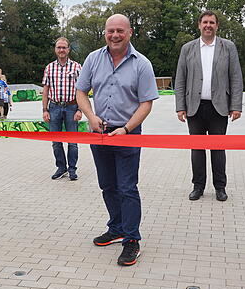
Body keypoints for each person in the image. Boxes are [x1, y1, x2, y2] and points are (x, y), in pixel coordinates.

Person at [76, 14, 158, 267]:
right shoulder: (93, 59)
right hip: (99, 133)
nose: (115, 35)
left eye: (120, 31)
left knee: (127, 187)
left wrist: (127, 128)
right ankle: (117, 227)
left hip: (127, 134)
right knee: (107, 185)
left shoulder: (141, 64)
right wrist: (90, 116)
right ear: (105, 33)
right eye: (110, 30)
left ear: (130, 32)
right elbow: (80, 91)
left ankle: (132, 239)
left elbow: (146, 103)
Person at [174, 10, 244, 202]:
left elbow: (236, 77)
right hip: (194, 107)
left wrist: (236, 105)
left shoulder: (228, 47)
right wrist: (180, 106)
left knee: (218, 149)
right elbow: (180, 79)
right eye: (205, 22)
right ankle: (198, 186)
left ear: (217, 25)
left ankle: (220, 187)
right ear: (199, 25)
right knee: (197, 149)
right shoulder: (187, 48)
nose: (208, 25)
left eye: (212, 22)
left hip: (219, 106)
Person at [42, 37, 83, 180]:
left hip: (72, 107)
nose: (61, 50)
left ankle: (72, 169)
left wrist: (80, 110)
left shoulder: (77, 67)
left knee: (73, 141)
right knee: (56, 141)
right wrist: (45, 110)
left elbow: (82, 90)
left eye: (64, 47)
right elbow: (45, 90)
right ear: (55, 49)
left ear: (68, 49)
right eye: (59, 47)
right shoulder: (49, 68)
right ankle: (61, 168)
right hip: (54, 107)